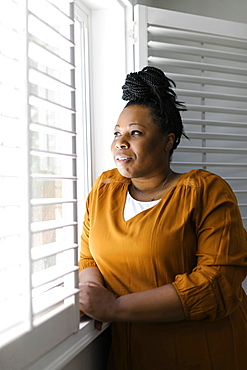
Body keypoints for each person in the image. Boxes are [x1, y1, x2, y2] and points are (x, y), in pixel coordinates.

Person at [78, 66, 247, 370]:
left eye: (136, 133)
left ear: (168, 141)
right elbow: (89, 258)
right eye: (117, 133)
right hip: (133, 352)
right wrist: (91, 295)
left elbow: (216, 284)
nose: (120, 142)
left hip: (204, 351)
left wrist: (115, 307)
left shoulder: (206, 191)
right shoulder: (104, 190)